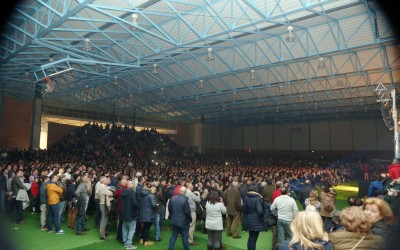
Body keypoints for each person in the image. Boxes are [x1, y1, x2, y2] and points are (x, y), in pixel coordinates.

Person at [120, 181, 138, 250]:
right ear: (131, 185)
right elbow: (135, 203)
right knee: (132, 229)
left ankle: (125, 242)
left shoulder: (122, 192)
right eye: (132, 184)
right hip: (131, 214)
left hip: (123, 213)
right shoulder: (132, 192)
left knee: (124, 228)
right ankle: (128, 244)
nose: (133, 185)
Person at [97, 176, 114, 240]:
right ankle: (102, 235)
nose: (107, 181)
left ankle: (103, 233)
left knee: (104, 219)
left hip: (103, 203)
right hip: (103, 204)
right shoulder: (102, 187)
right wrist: (110, 193)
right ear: (103, 181)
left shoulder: (101, 186)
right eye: (106, 180)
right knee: (104, 219)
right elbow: (110, 193)